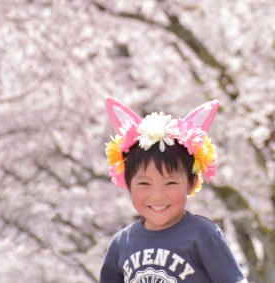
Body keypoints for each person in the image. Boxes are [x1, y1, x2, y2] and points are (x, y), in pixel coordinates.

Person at [99, 97, 247, 283]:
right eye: (144, 184)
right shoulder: (122, 243)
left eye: (170, 183)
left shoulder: (203, 235)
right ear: (128, 184)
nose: (157, 195)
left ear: (192, 183)